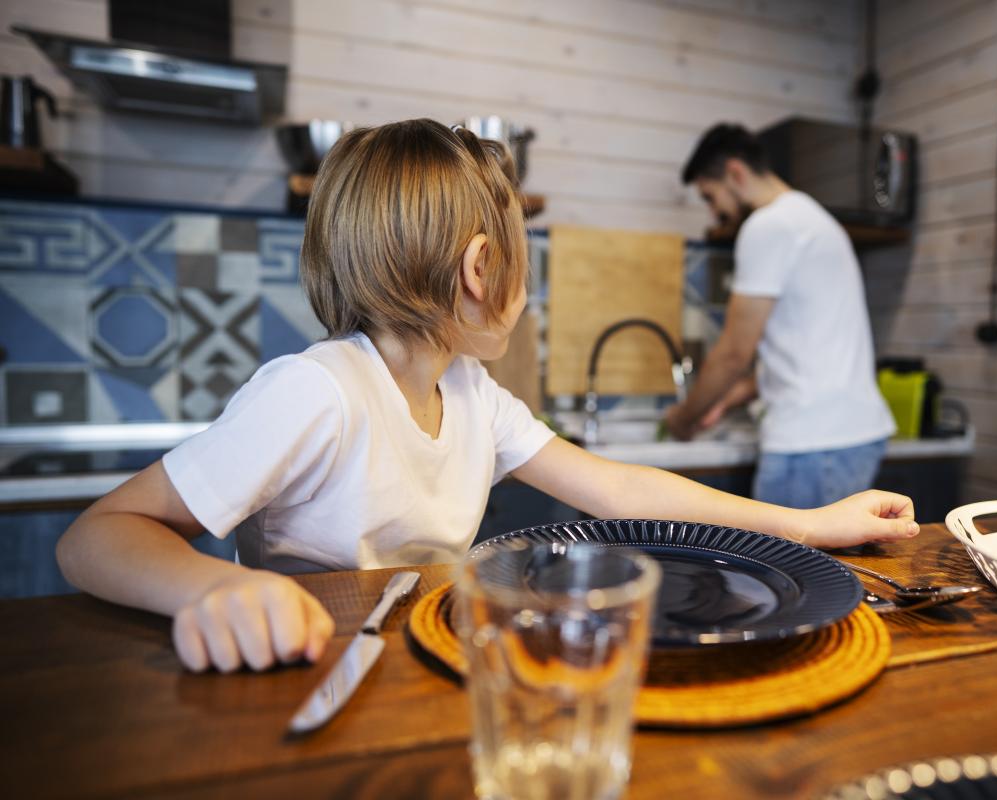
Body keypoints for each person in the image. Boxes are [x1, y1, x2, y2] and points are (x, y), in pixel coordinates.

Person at [56, 119, 918, 675]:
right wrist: (207, 591)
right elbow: (96, 535)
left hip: (428, 665)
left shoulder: (471, 392)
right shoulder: (317, 391)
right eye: (521, 257)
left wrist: (808, 526)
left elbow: (619, 490)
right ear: (480, 269)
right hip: (307, 676)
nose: (526, 284)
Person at [665, 123, 897, 511]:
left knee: (790, 571)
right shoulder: (811, 218)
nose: (714, 211)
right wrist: (728, 398)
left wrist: (685, 417)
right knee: (829, 569)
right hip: (845, 437)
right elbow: (802, 352)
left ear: (735, 173)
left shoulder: (768, 226)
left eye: (710, 196)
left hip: (812, 445)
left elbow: (734, 352)